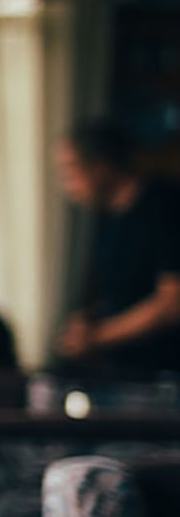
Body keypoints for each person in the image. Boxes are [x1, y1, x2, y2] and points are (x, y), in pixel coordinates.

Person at [54, 118, 180, 377]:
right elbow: (125, 293)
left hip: (164, 377)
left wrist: (98, 337)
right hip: (126, 371)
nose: (67, 185)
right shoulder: (107, 219)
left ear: (100, 166)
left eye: (70, 171)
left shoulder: (164, 207)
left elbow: (173, 302)